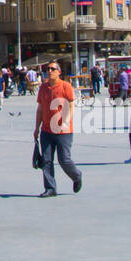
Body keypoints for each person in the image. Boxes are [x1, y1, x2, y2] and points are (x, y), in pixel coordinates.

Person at [33, 62, 81, 197]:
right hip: (46, 130)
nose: (49, 71)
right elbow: (40, 109)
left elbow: (71, 106)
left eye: (52, 69)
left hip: (63, 131)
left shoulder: (66, 87)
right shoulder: (43, 87)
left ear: (59, 72)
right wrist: (37, 128)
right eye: (47, 69)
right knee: (46, 160)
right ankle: (50, 188)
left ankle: (76, 176)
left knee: (64, 159)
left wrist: (66, 122)